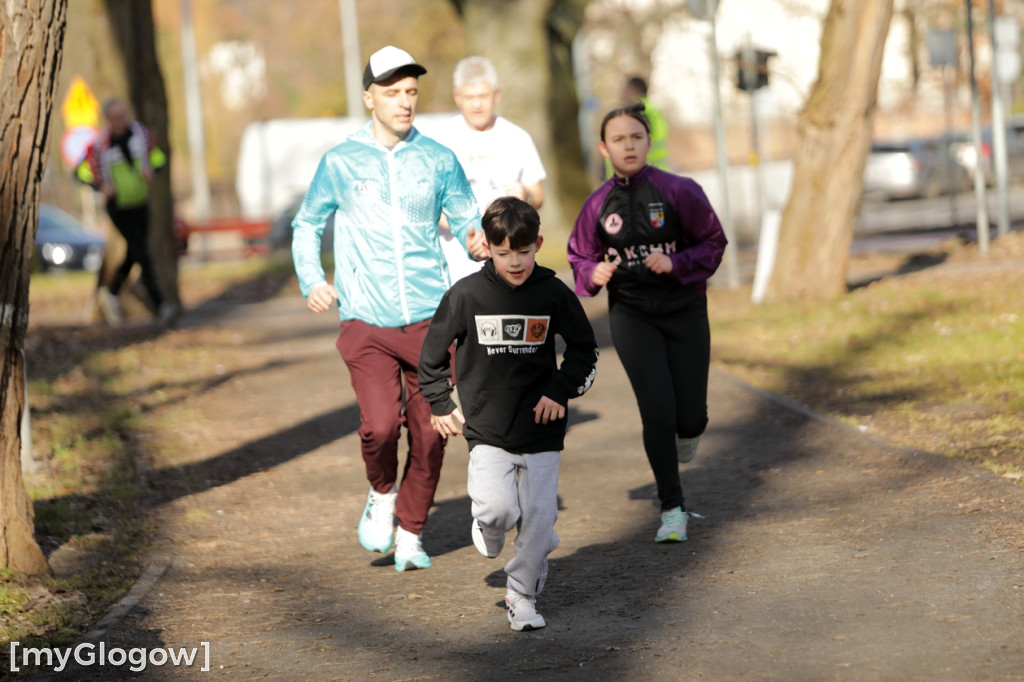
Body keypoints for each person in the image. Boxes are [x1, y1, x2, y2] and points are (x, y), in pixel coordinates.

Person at [291, 45, 488, 573]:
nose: (404, 102)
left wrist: (478, 242)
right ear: (368, 98)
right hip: (366, 321)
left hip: (430, 317)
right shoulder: (340, 161)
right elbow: (306, 225)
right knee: (380, 426)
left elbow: (469, 218)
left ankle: (411, 532)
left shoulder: (438, 159)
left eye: (411, 92)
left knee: (431, 431)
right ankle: (382, 491)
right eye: (392, 93)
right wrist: (313, 278)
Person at [418, 197, 598, 631]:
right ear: (487, 246)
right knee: (497, 509)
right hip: (487, 428)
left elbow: (584, 352)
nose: (514, 262)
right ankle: (493, 526)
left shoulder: (554, 293)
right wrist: (441, 404)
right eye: (503, 253)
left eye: (523, 251)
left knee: (539, 518)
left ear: (538, 243)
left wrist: (560, 390)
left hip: (542, 428)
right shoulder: (466, 294)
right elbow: (430, 358)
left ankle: (521, 595)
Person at [568, 103, 727, 544]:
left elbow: (714, 242)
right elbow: (579, 254)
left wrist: (675, 262)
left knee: (690, 417)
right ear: (604, 148)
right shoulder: (597, 205)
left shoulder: (680, 190)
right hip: (632, 314)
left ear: (648, 142)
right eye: (618, 140)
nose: (628, 146)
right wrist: (590, 274)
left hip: (684, 309)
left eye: (636, 137)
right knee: (657, 411)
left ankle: (687, 431)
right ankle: (671, 508)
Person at [432, 56, 547, 282]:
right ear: (457, 97)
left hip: (507, 265)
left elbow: (539, 196)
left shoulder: (517, 137)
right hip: (454, 267)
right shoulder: (441, 141)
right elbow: (429, 204)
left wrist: (525, 195)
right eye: (470, 97)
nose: (477, 105)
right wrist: (466, 231)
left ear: (496, 94)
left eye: (483, 96)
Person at [79, 97, 173, 325]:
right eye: (115, 117)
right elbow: (81, 172)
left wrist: (153, 170)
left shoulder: (142, 135)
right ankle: (161, 304)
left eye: (123, 115)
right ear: (108, 119)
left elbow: (159, 157)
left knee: (134, 251)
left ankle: (111, 292)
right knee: (143, 251)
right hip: (118, 207)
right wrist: (101, 186)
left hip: (141, 202)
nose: (120, 120)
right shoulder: (100, 146)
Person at [603, 76, 671, 178]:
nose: (622, 93)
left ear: (632, 91)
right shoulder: (654, 112)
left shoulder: (638, 113)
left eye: (625, 89)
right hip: (657, 177)